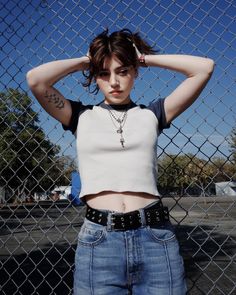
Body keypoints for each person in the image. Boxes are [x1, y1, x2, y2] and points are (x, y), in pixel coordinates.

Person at [26, 28, 214, 295]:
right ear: (96, 77)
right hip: (100, 240)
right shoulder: (80, 116)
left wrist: (144, 58)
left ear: (135, 72)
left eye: (123, 71)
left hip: (156, 238)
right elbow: (36, 80)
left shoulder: (153, 114)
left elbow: (204, 68)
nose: (114, 81)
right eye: (104, 73)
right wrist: (85, 60)